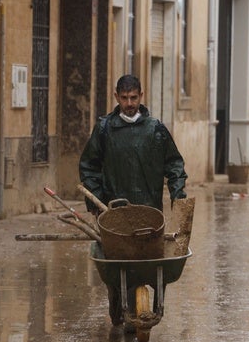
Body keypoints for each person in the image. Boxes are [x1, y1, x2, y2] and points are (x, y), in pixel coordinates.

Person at [79, 74, 188, 326]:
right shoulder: (105, 129)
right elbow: (89, 166)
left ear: (142, 96)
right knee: (118, 263)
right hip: (114, 213)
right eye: (125, 98)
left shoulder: (156, 130)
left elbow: (174, 164)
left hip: (148, 211)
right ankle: (117, 299)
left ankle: (144, 306)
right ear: (116, 97)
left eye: (134, 97)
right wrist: (95, 202)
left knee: (146, 261)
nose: (129, 103)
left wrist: (177, 195)